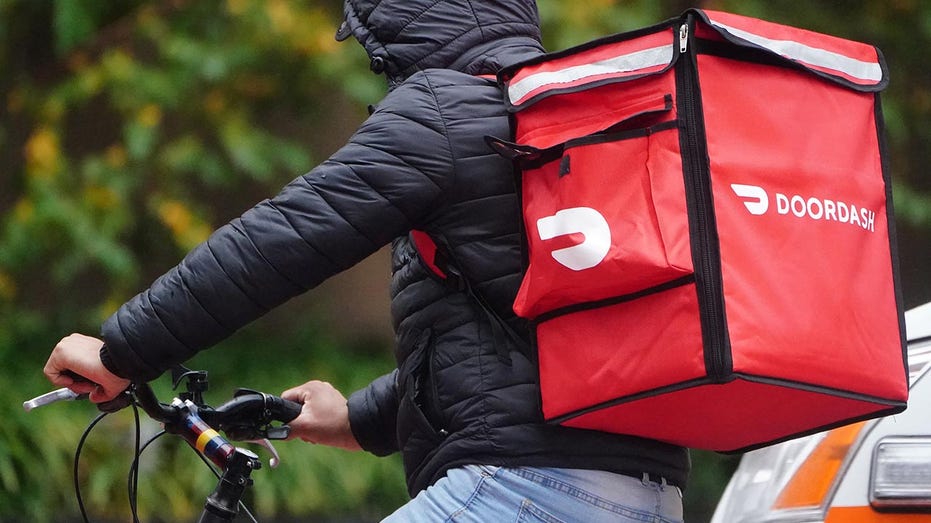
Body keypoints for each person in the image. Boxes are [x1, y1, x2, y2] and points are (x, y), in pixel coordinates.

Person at [43, 1, 689, 521]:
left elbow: (283, 238)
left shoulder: (445, 108)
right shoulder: (573, 126)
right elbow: (532, 347)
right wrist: (355, 417)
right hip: (649, 495)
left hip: (524, 490)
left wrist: (122, 351)